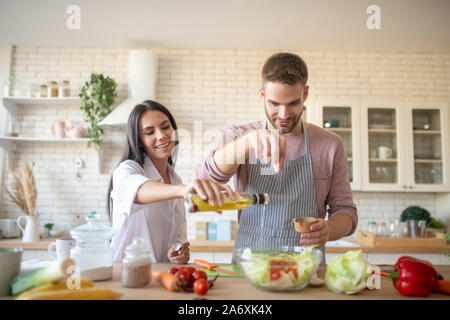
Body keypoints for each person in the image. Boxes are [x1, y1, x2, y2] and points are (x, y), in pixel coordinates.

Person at [197, 52, 357, 262]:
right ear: (262, 94)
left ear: (305, 94)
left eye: (293, 103)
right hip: (249, 267)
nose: (283, 114)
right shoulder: (238, 137)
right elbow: (204, 180)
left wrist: (329, 229)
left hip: (306, 268)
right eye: (274, 104)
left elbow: (346, 212)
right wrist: (248, 142)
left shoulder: (329, 145)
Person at [107, 100, 235, 263]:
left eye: (165, 127)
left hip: (159, 277)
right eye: (149, 132)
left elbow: (176, 241)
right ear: (139, 141)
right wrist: (182, 190)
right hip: (126, 276)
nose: (161, 135)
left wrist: (178, 254)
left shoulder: (175, 179)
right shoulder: (127, 170)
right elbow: (137, 191)